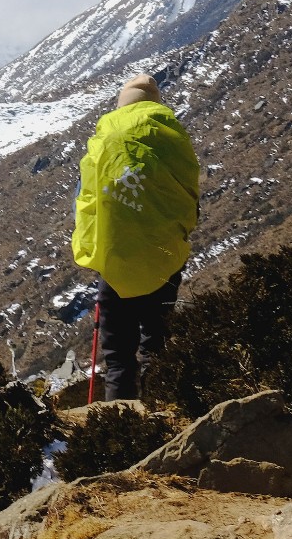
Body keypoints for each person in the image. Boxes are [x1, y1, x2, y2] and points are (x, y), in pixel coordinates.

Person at [70, 73, 202, 401]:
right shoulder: (171, 135)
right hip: (163, 257)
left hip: (114, 260)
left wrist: (91, 249)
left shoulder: (103, 141)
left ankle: (122, 424)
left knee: (118, 355)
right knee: (157, 342)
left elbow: (84, 202)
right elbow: (188, 194)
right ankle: (164, 410)